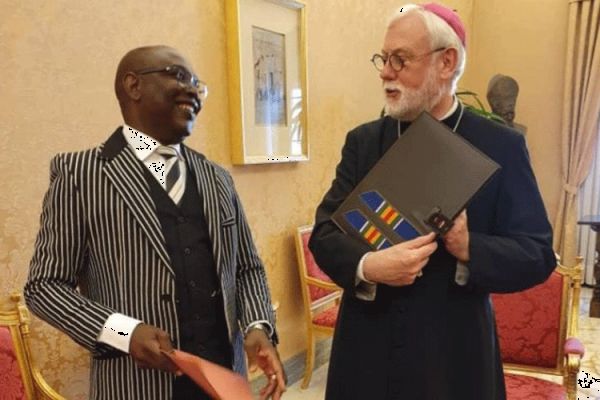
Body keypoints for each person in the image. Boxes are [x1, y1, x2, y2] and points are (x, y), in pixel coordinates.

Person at [309, 4, 555, 400]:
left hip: (453, 357)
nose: (385, 72)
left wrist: (469, 247)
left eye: (400, 60)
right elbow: (324, 234)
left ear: (447, 62)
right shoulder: (364, 142)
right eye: (384, 58)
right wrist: (369, 266)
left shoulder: (501, 147)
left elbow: (538, 254)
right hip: (368, 352)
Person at [24, 45, 286, 400]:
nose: (193, 91)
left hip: (224, 380)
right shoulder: (80, 175)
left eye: (198, 84)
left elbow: (246, 268)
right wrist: (124, 333)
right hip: (136, 387)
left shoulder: (217, 178)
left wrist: (257, 327)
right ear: (133, 86)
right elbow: (44, 287)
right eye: (179, 76)